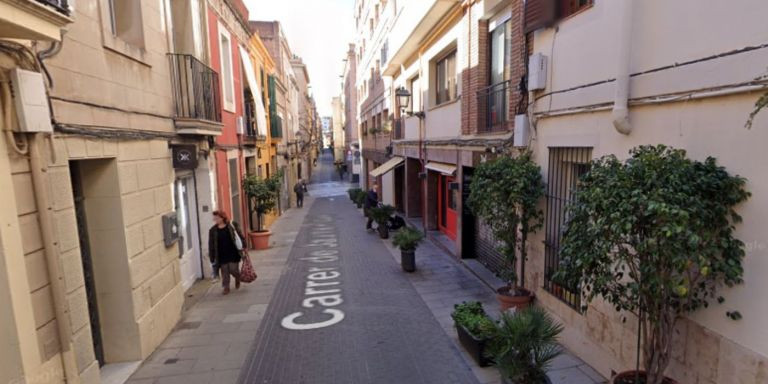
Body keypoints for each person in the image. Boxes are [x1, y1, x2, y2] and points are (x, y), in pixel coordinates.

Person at [208, 210, 245, 295]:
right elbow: (211, 244)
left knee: (233, 269)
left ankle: (237, 277)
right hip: (221, 254)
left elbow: (240, 235)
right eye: (214, 218)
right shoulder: (213, 230)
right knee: (225, 272)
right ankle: (226, 287)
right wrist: (212, 256)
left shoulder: (232, 226)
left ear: (222, 217)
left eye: (216, 218)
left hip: (233, 252)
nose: (215, 219)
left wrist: (244, 245)